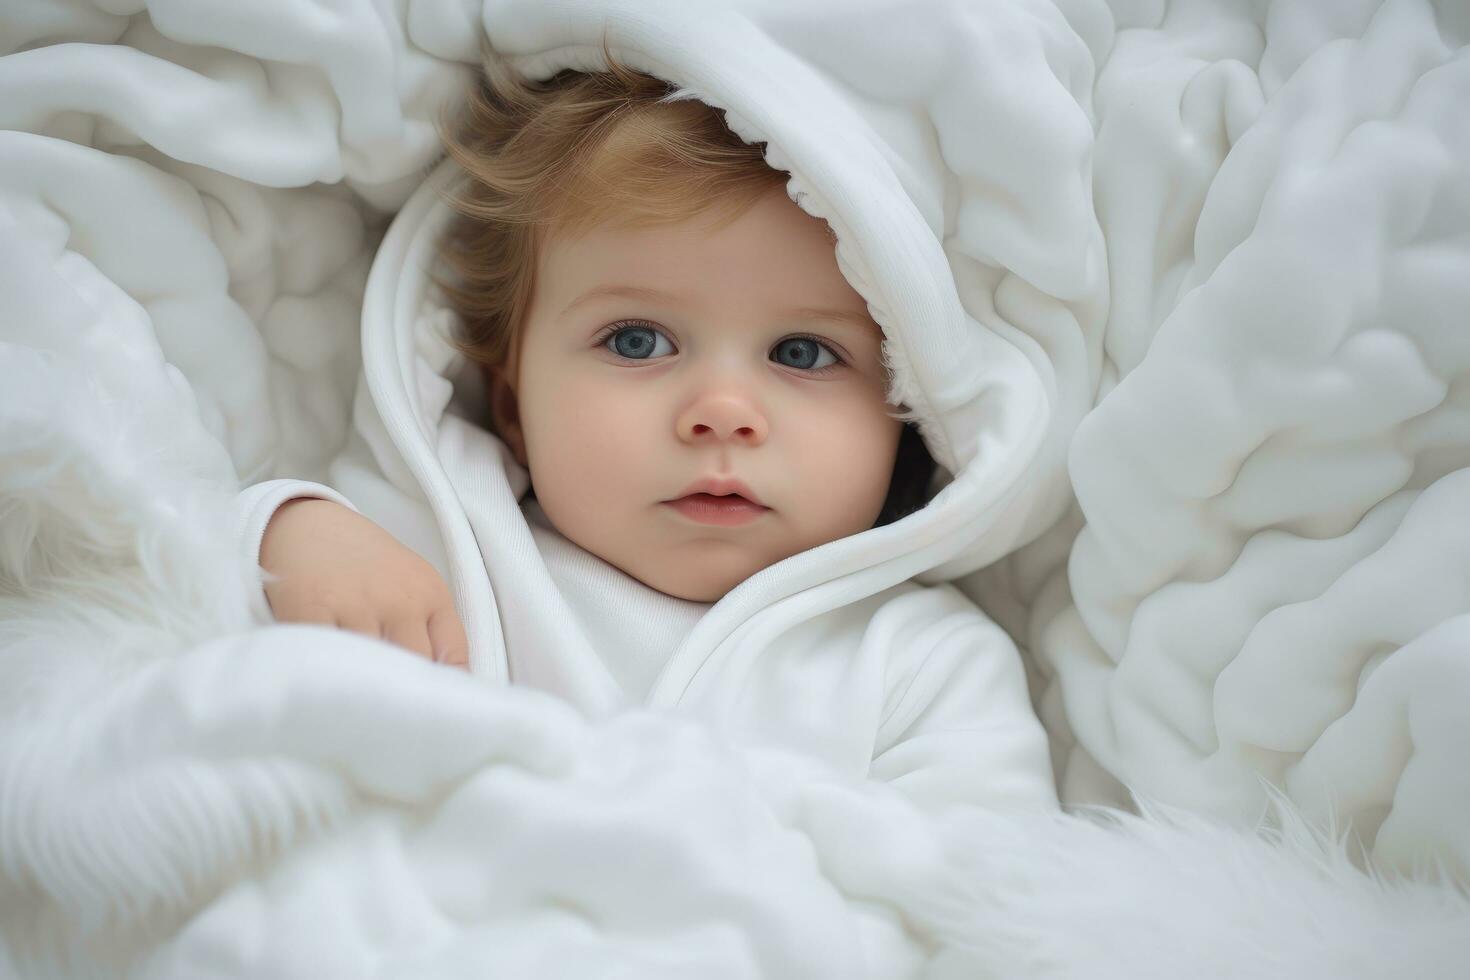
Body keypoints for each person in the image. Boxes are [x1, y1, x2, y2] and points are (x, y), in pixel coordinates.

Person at [236, 46, 1058, 814]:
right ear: (515, 405)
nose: (724, 411)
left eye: (803, 352)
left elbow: (985, 901)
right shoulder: (445, 543)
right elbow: (168, 610)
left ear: (904, 409)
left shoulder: (922, 665)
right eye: (637, 341)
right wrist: (289, 534)